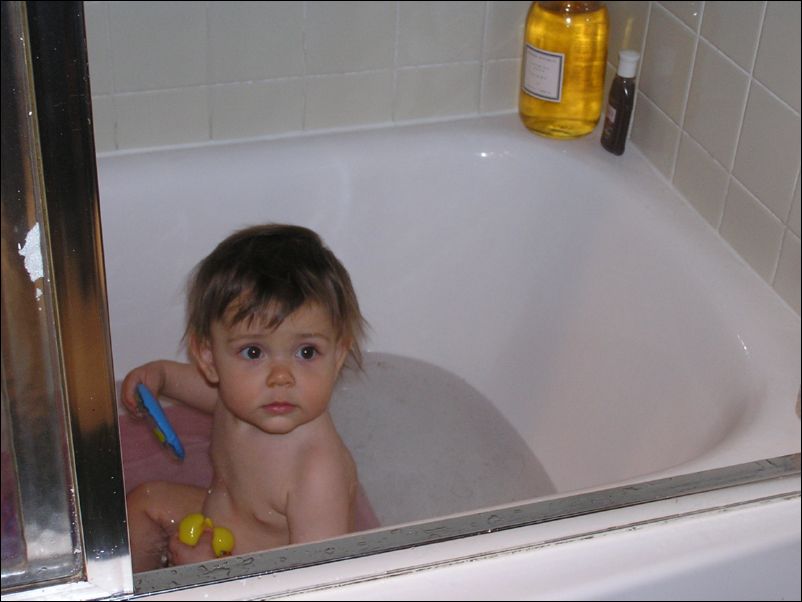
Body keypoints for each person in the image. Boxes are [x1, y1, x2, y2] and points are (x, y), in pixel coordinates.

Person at [121, 224, 366, 572]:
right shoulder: (245, 401)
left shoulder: (315, 473)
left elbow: (317, 585)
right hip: (217, 524)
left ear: (338, 356)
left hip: (264, 572)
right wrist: (163, 376)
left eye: (307, 352)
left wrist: (209, 574)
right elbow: (211, 395)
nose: (281, 378)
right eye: (254, 352)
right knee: (144, 504)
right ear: (209, 359)